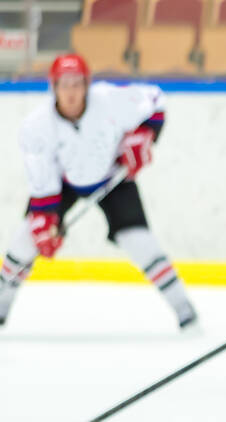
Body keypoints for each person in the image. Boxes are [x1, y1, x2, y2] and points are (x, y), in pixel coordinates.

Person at [0, 54, 198, 330]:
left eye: (77, 84)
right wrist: (44, 220)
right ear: (53, 86)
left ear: (86, 84)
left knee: (140, 242)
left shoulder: (108, 100)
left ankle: (183, 309)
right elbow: (43, 180)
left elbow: (155, 100)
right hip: (63, 184)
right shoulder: (36, 127)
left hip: (112, 177)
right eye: (64, 84)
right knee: (24, 242)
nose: (71, 92)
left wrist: (144, 135)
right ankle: (1, 305)